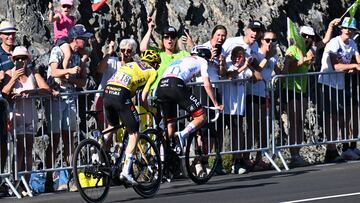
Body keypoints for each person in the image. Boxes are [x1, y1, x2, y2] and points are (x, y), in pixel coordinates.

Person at [102, 50, 161, 185]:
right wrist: (150, 110)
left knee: (113, 125)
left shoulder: (131, 64)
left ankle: (98, 147)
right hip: (121, 95)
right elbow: (143, 97)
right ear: (155, 64)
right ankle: (126, 172)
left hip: (107, 92)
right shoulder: (153, 71)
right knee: (134, 132)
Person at [45, 24, 91, 191]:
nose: (86, 41)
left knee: (69, 139)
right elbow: (54, 71)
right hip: (56, 98)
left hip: (70, 97)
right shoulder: (58, 50)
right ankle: (49, 178)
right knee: (55, 139)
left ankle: (71, 179)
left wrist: (72, 77)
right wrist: (70, 70)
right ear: (75, 39)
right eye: (83, 38)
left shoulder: (79, 57)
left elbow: (83, 81)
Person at [1, 46, 54, 183]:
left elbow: (46, 89)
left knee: (29, 148)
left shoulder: (33, 73)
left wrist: (32, 92)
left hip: (30, 115)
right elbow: (4, 93)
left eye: (23, 58)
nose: (20, 61)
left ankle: (26, 181)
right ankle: (17, 180)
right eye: (17, 59)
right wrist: (14, 78)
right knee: (19, 149)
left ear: (27, 60)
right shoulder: (9, 73)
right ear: (13, 61)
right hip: (16, 115)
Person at [155, 45, 224, 151]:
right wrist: (215, 104)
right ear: (205, 56)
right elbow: (206, 83)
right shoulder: (202, 61)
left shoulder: (181, 60)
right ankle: (182, 135)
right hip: (175, 85)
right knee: (201, 116)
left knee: (170, 124)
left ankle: (160, 158)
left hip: (161, 87)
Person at [222, 20, 263, 173]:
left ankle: (237, 161)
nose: (254, 33)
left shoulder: (254, 47)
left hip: (239, 105)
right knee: (219, 133)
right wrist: (242, 66)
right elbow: (228, 74)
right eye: (252, 30)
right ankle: (217, 162)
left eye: (257, 31)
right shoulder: (232, 42)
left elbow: (257, 77)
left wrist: (251, 65)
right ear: (246, 30)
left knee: (237, 132)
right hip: (224, 100)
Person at [318, 17, 360, 162]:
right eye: (346, 28)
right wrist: (353, 66)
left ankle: (342, 149)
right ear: (341, 28)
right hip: (328, 83)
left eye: (351, 29)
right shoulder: (334, 43)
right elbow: (336, 66)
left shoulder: (352, 43)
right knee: (332, 118)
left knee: (342, 118)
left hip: (340, 84)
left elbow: (358, 60)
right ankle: (331, 150)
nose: (348, 31)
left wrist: (355, 66)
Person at [245, 31, 281, 171]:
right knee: (252, 127)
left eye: (273, 40)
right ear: (261, 41)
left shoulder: (274, 57)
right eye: (267, 40)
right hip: (253, 93)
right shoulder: (255, 53)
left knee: (265, 127)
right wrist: (268, 57)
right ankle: (245, 158)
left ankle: (261, 158)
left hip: (266, 94)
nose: (270, 42)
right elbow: (257, 71)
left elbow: (279, 73)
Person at [194, 25, 227, 175]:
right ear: (212, 35)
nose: (221, 38)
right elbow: (199, 66)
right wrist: (210, 57)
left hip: (216, 88)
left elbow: (222, 73)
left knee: (215, 128)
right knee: (202, 127)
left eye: (223, 36)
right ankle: (199, 162)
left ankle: (211, 160)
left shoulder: (223, 50)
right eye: (218, 35)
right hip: (203, 88)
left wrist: (220, 62)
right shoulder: (202, 47)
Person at [140, 17, 194, 95]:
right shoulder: (157, 53)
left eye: (172, 37)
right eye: (166, 37)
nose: (169, 40)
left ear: (176, 40)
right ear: (162, 40)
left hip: (177, 93)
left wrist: (191, 45)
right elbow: (143, 48)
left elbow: (197, 61)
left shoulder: (183, 54)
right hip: (158, 93)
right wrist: (150, 29)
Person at [94, 38, 139, 128]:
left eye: (129, 51)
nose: (125, 53)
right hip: (104, 98)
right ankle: (101, 141)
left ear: (133, 52)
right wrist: (109, 53)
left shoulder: (134, 66)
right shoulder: (112, 60)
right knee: (106, 127)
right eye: (123, 50)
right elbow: (99, 69)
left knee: (118, 128)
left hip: (121, 100)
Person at [48, 0, 76, 76]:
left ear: (72, 8)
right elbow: (51, 20)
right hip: (61, 39)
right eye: (64, 6)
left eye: (69, 6)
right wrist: (51, 10)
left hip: (69, 39)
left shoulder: (72, 19)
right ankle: (66, 72)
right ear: (61, 7)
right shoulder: (59, 15)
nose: (66, 8)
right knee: (68, 54)